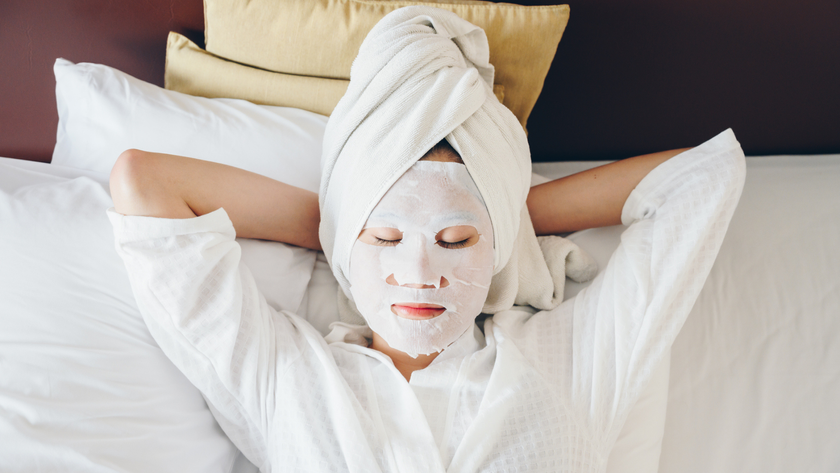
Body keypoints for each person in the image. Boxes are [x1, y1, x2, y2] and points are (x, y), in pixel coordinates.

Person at [107, 6, 745, 472]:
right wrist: (342, 227)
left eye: (457, 239)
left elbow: (699, 180)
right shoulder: (285, 380)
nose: (418, 272)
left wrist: (506, 216)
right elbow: (144, 182)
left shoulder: (570, 361)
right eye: (387, 237)